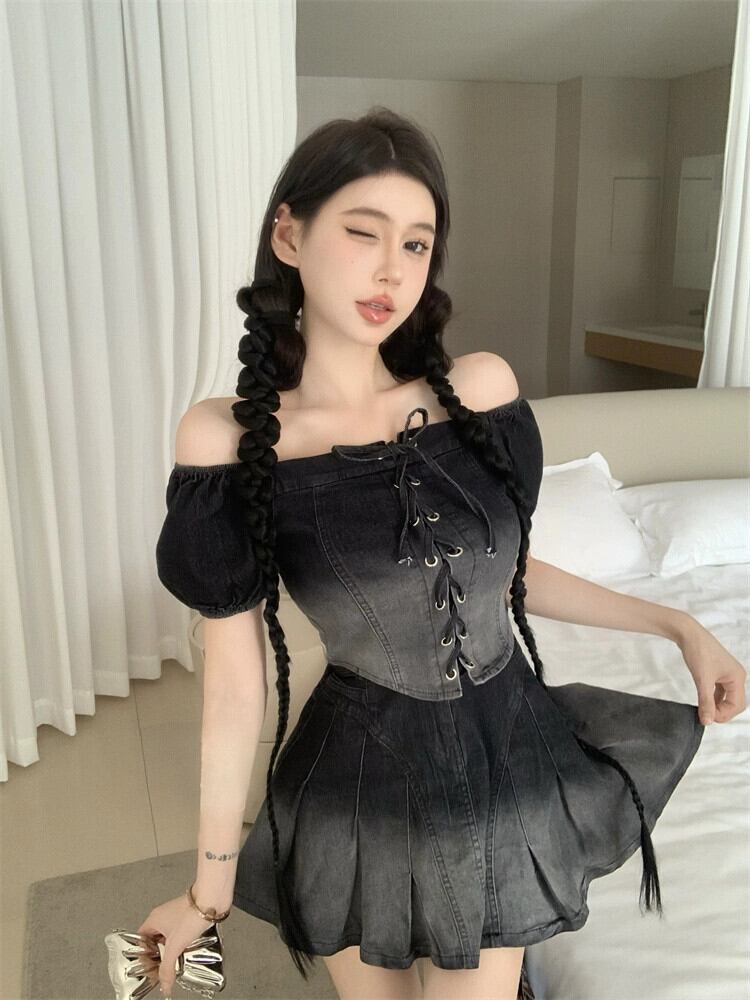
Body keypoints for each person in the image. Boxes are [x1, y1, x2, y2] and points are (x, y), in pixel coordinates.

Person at [139, 107, 746, 1000]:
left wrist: (678, 625)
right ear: (290, 236)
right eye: (363, 232)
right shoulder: (226, 441)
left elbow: (505, 576)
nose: (393, 269)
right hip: (354, 785)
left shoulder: (481, 393)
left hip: (507, 756)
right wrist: (209, 890)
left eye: (417, 244)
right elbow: (234, 683)